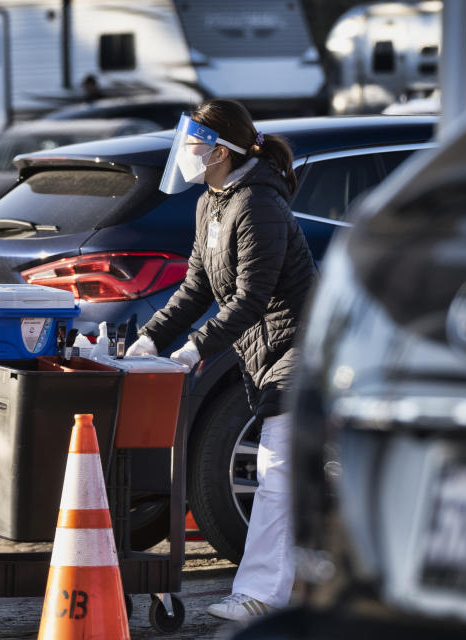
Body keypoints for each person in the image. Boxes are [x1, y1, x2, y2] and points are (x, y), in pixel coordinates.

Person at [126, 99, 316, 620]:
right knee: (308, 473)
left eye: (194, 141)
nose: (185, 151)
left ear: (220, 152)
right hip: (266, 352)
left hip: (302, 349)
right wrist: (150, 338)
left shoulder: (258, 205)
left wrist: (195, 348)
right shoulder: (212, 201)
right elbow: (197, 286)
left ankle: (260, 597)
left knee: (276, 468)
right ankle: (312, 584)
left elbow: (251, 297)